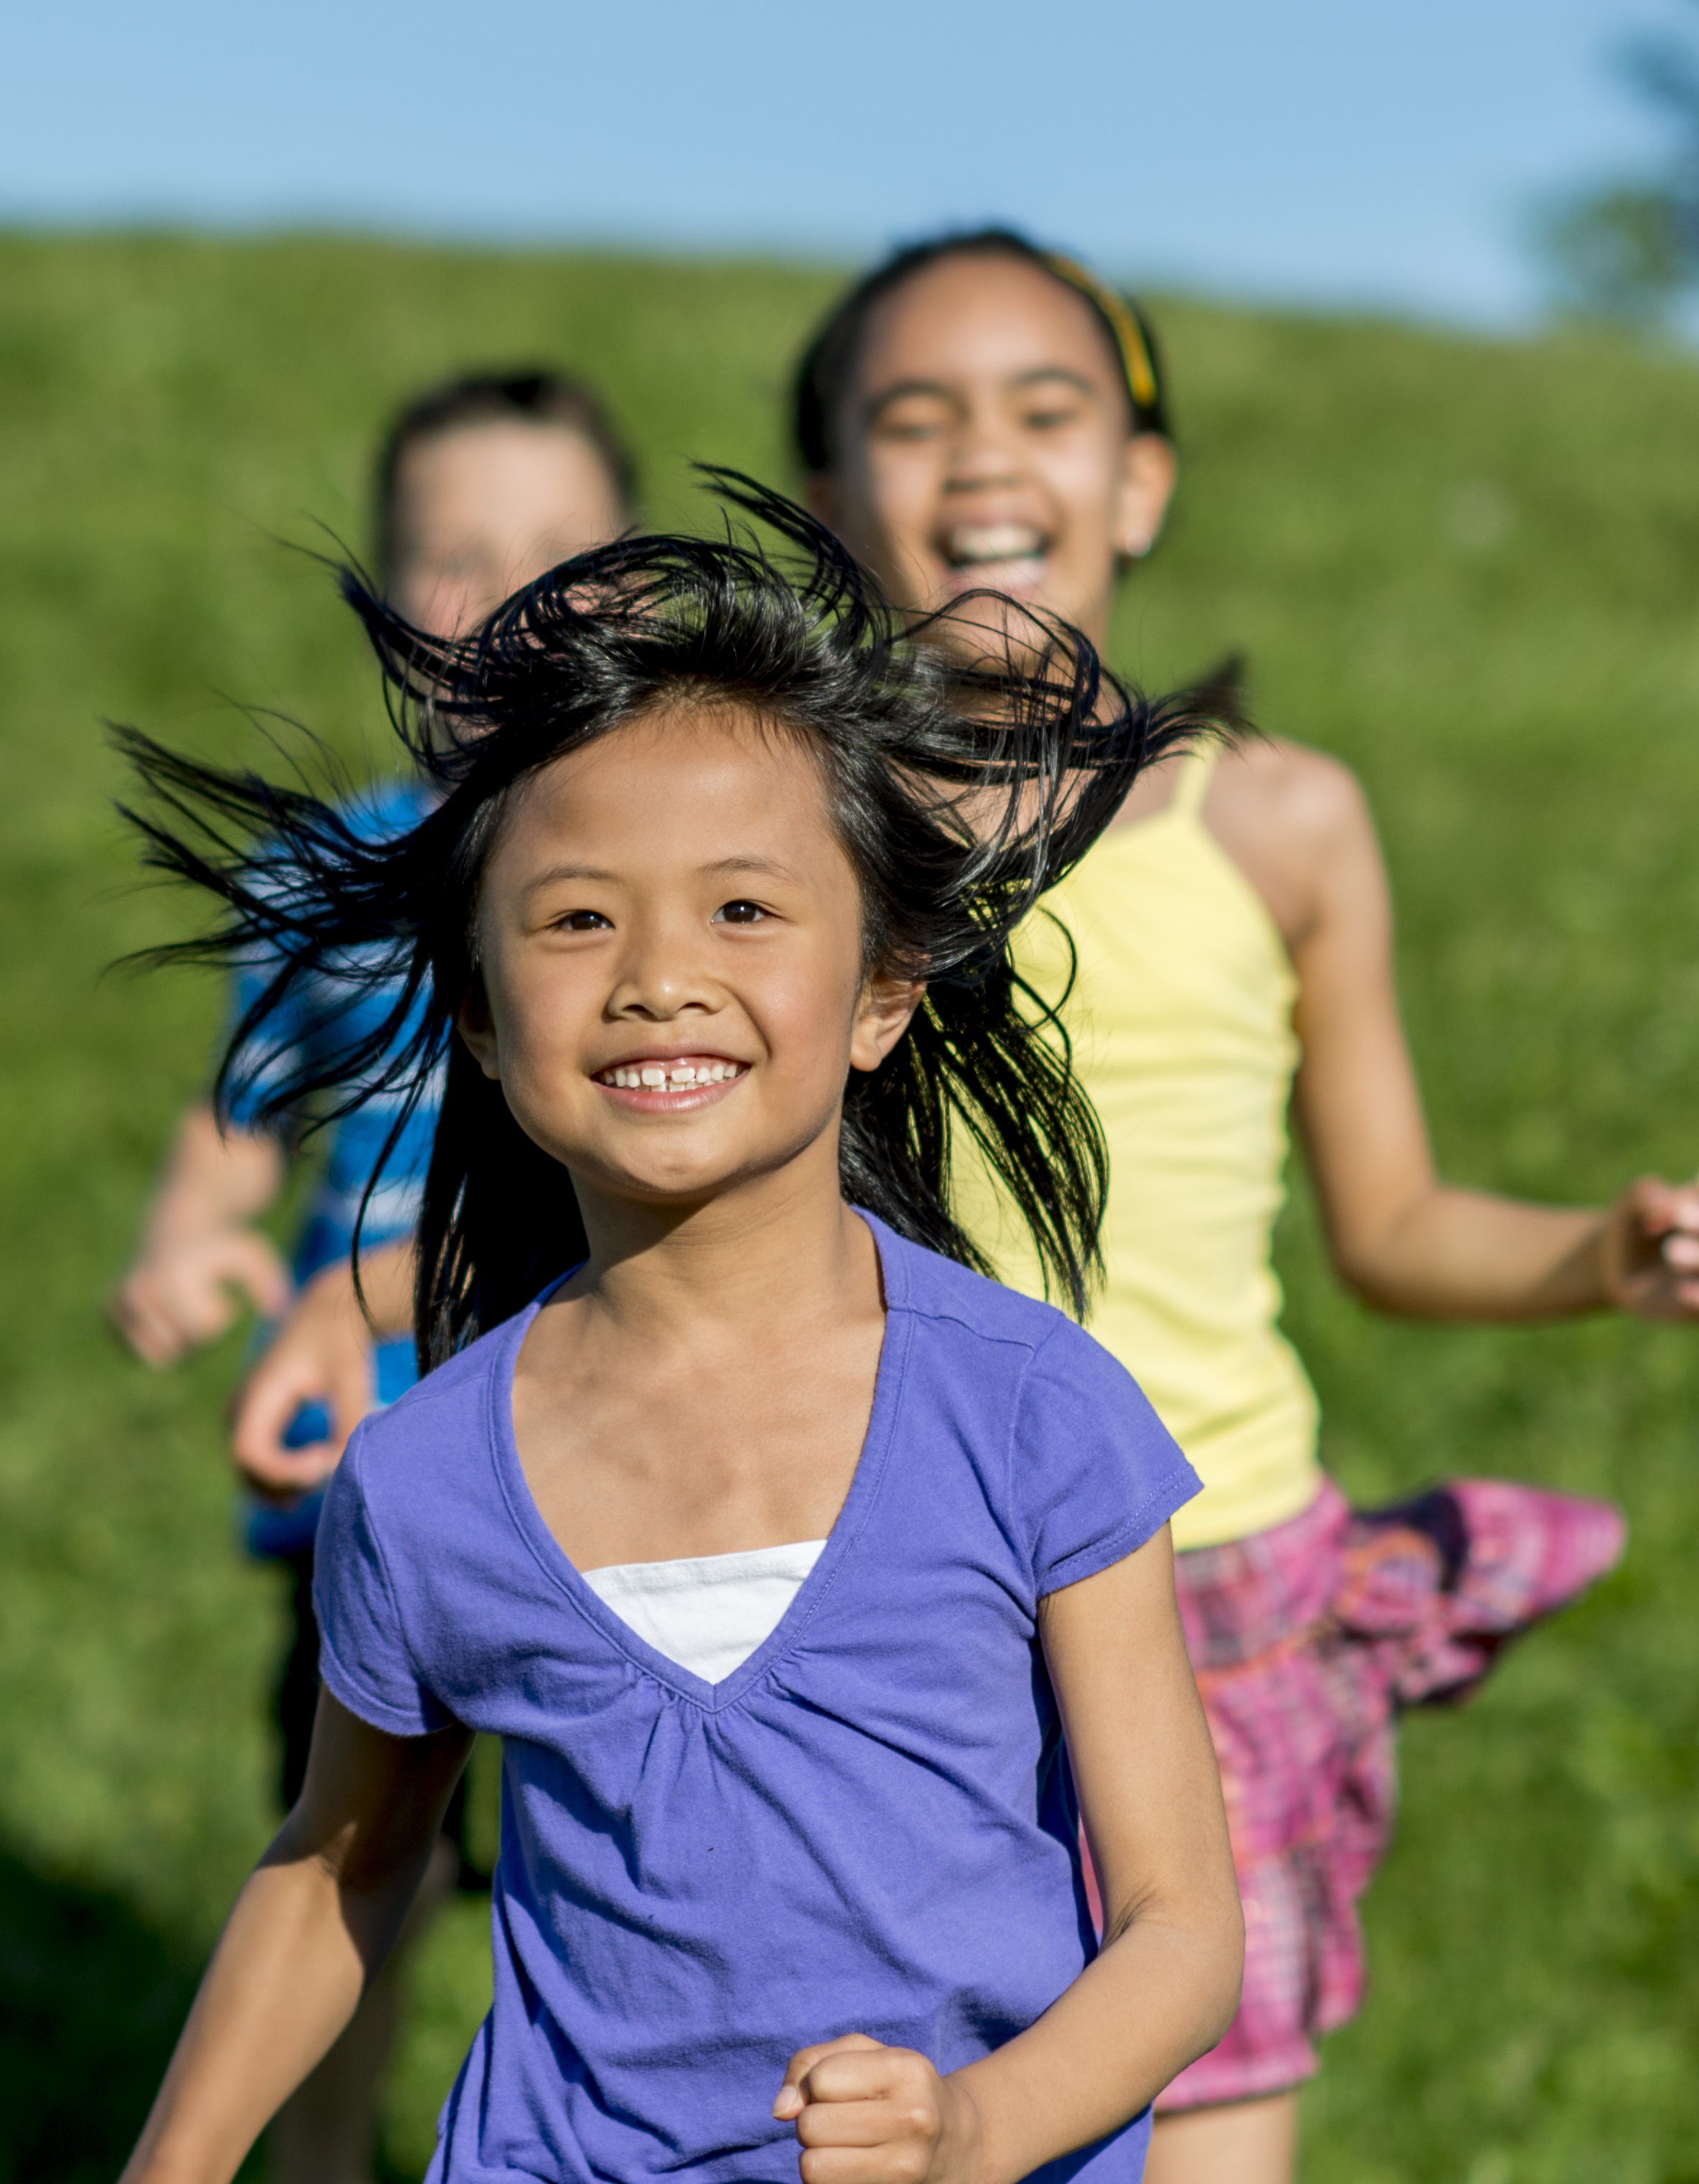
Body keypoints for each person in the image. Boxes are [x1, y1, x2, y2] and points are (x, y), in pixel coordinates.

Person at [782, 228, 1699, 2184]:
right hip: (881, 1612)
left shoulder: (1276, 823)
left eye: (1045, 410)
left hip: (1214, 1591)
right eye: (914, 418)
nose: (983, 456)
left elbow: (1388, 1224)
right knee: (866, 2127)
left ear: (1138, 481)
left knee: (1212, 2132)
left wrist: (1595, 1254)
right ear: (828, 505)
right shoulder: (784, 834)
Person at [112, 482, 1244, 2183]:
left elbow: (1180, 1928)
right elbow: (338, 1867)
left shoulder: (1032, 1413)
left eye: (744, 908)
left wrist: (976, 2125)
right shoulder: (421, 1482)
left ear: (881, 989)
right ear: (483, 1021)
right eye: (578, 918)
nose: (654, 975)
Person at [104, 368, 633, 2182]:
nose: (507, 594)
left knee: (620, 1901)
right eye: (452, 557)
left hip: (619, 1469)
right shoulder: (325, 873)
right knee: (346, 1888)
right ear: (382, 596)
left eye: (561, 550)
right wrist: (189, 1241)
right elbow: (239, 1122)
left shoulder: (671, 873)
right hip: (371, 1475)